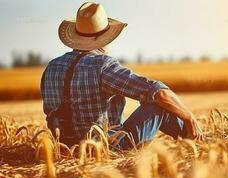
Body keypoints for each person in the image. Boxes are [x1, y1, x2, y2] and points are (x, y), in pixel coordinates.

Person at [40, 2, 202, 149]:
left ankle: (193, 139)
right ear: (103, 38)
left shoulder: (52, 66)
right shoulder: (102, 65)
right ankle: (196, 140)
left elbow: (49, 111)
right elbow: (158, 92)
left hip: (64, 147)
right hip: (108, 147)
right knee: (160, 103)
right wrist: (189, 117)